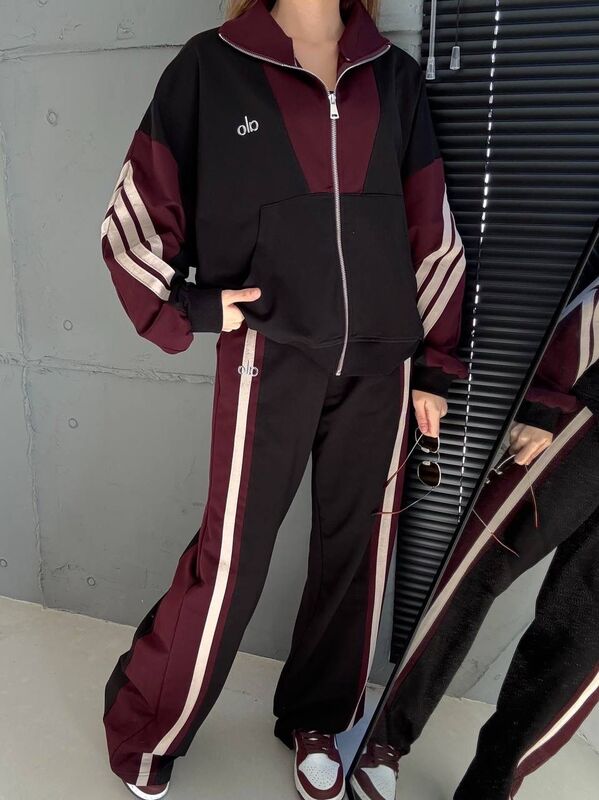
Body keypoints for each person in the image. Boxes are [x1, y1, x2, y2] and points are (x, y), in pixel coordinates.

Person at [99, 1, 467, 798]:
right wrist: (194, 305)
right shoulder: (211, 65)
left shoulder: (391, 75)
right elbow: (135, 214)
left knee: (355, 555)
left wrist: (437, 364)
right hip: (267, 355)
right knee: (230, 558)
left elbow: (429, 225)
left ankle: (317, 719)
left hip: (381, 362)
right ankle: (147, 726)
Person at [350, 271, 599, 800]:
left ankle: (493, 786)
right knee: (480, 565)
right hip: (593, 413)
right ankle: (385, 737)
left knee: (585, 635)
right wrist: (549, 397)